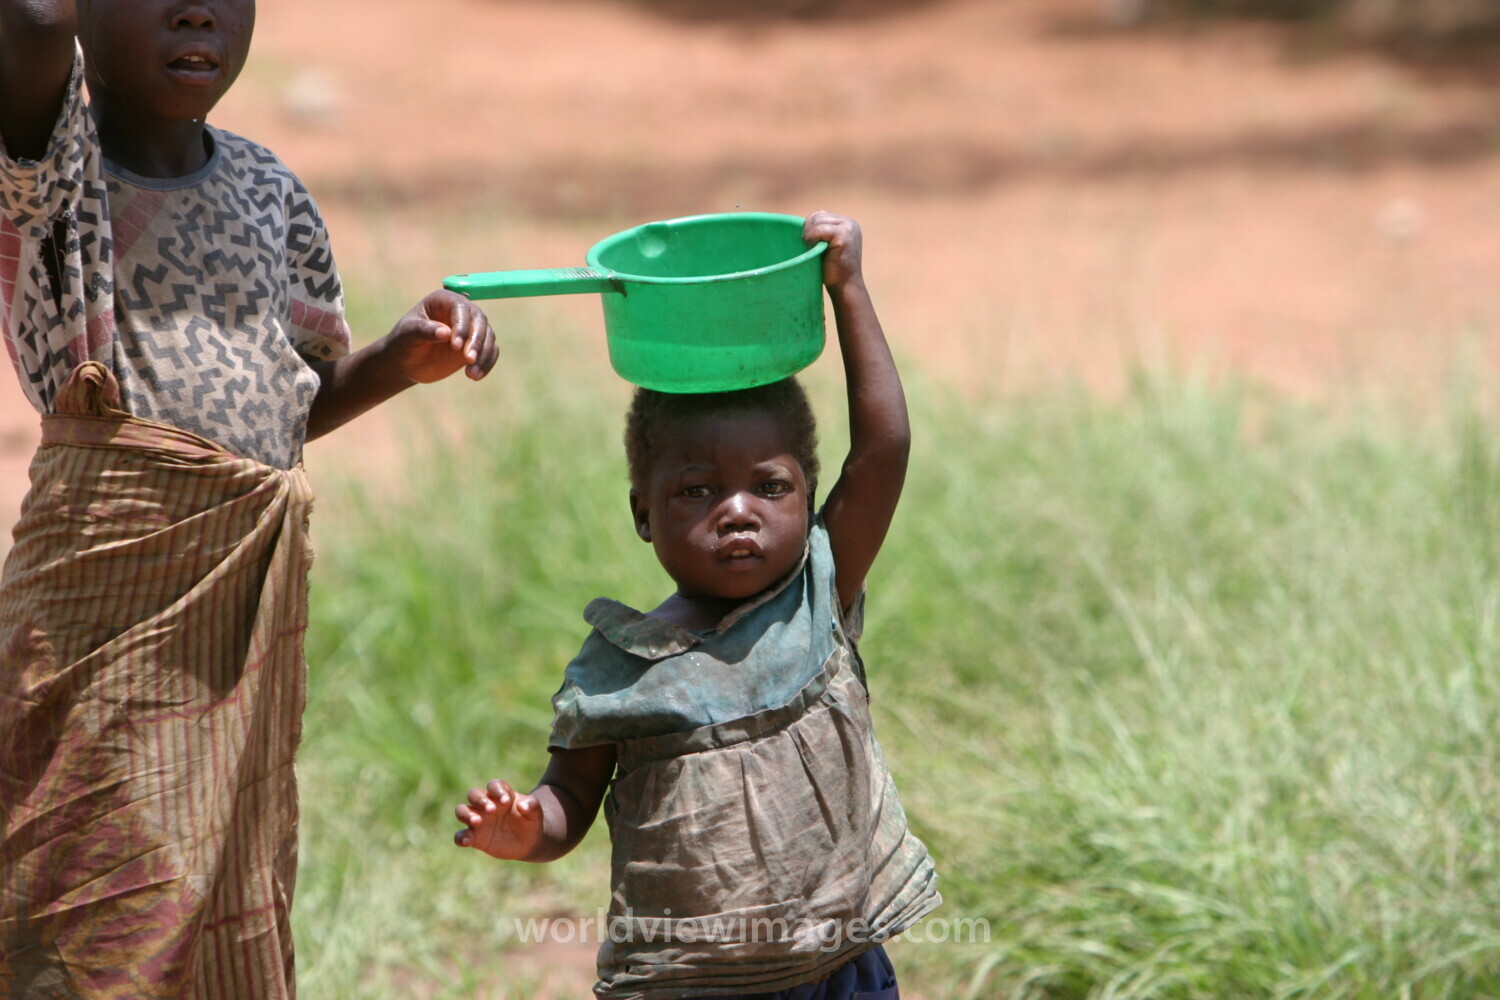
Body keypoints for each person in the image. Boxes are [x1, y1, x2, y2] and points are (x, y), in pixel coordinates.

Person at [0, 1, 497, 996]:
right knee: (95, 875)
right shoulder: (50, 173)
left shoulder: (270, 189)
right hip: (103, 604)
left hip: (238, 617)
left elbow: (293, 407)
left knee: (215, 864)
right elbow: (29, 23)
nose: (198, 11)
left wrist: (398, 361)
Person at [454, 211, 940, 1000]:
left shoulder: (820, 588)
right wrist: (523, 829)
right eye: (697, 491)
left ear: (808, 495)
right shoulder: (619, 668)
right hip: (694, 985)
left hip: (840, 969)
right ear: (643, 513)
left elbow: (884, 447)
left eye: (770, 486)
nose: (738, 510)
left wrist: (848, 288)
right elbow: (569, 800)